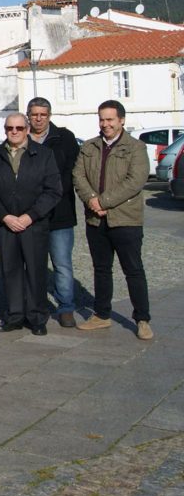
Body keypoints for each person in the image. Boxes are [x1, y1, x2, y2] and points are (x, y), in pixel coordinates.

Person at [72, 100, 152, 340]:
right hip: (96, 220)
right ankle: (101, 314)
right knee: (101, 269)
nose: (105, 124)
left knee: (133, 270)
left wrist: (103, 201)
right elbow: (78, 175)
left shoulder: (136, 148)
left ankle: (142, 319)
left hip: (125, 219)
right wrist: (91, 200)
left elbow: (135, 181)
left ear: (121, 120)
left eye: (110, 119)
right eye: (102, 119)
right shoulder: (89, 146)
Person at [0, 112, 62, 335]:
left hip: (34, 224)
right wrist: (5, 216)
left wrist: (30, 216)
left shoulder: (44, 155)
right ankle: (15, 315)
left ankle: (37, 317)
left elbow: (53, 191)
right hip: (7, 224)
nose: (14, 132)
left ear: (27, 130)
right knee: (11, 271)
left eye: (18, 128)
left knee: (36, 272)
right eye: (9, 128)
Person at [26, 97, 80, 328]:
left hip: (60, 213)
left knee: (62, 263)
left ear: (50, 115)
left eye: (43, 114)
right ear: (29, 115)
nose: (39, 118)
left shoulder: (64, 138)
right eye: (35, 114)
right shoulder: (22, 138)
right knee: (33, 264)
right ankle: (34, 305)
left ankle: (66, 307)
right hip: (31, 215)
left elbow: (72, 173)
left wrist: (51, 197)